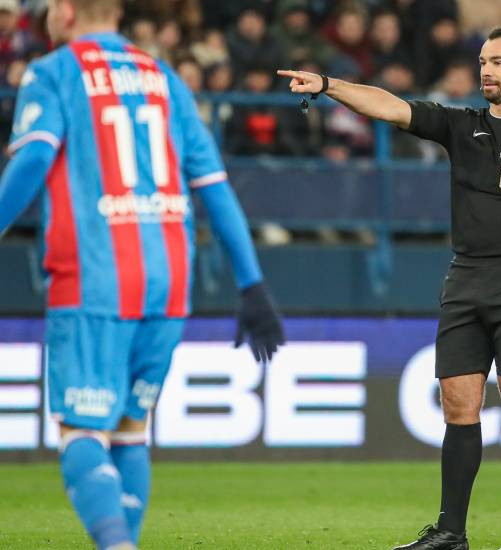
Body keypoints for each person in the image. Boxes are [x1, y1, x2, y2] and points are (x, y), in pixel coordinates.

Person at [280, 25, 501, 550]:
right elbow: (389, 106)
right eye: (483, 61)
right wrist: (329, 84)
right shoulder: (460, 125)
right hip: (465, 280)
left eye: (497, 61)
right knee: (458, 404)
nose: (485, 70)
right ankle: (451, 532)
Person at [0, 1, 285, 548]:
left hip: (94, 277)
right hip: (168, 278)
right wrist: (251, 283)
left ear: (64, 12)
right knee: (130, 431)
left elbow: (34, 159)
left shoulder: (53, 70)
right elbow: (215, 188)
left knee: (81, 432)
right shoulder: (165, 78)